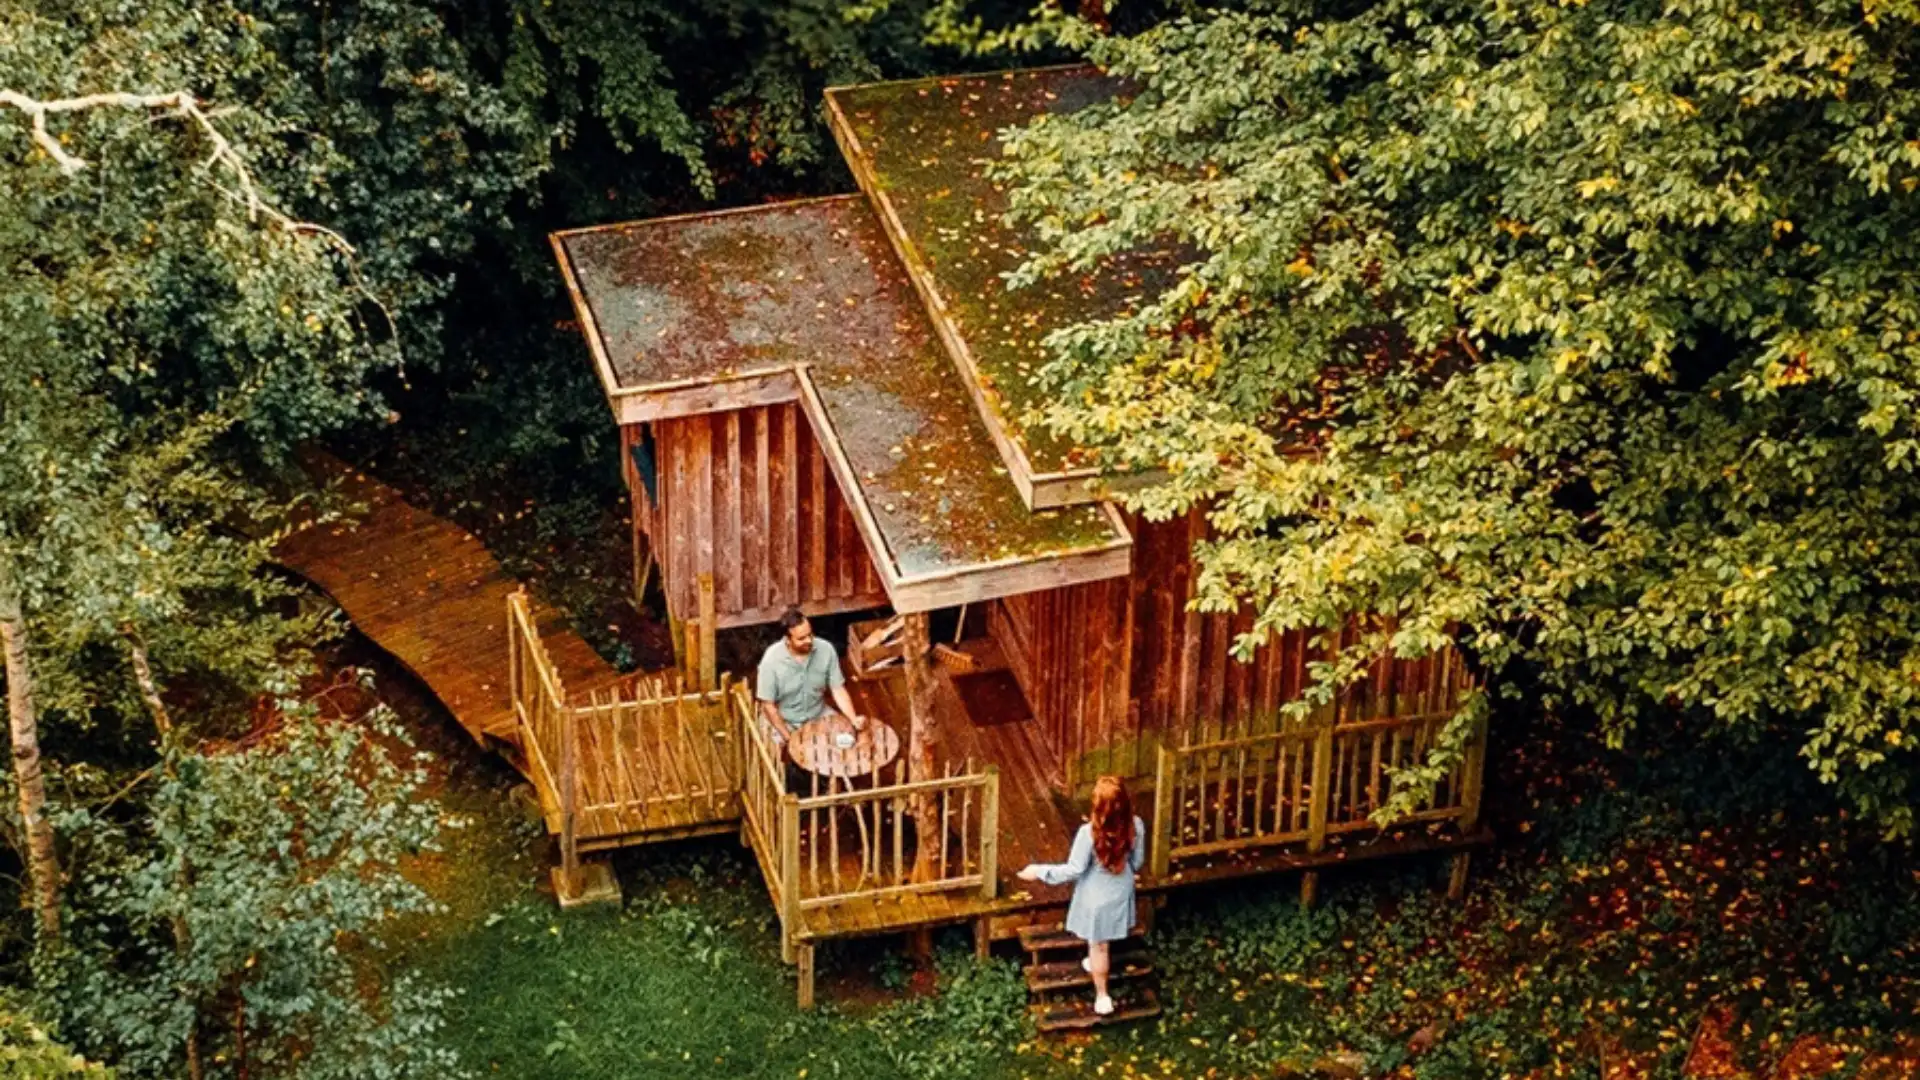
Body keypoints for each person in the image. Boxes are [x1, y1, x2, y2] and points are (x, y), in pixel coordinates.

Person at [1016, 775, 1146, 1016]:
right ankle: (1095, 965)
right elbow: (1137, 862)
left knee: (1099, 947)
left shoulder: (1088, 834)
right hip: (1121, 890)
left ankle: (1102, 995)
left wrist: (1039, 871)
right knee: (1101, 940)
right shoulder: (1136, 825)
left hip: (1095, 897)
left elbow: (1074, 869)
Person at [755, 606, 864, 749]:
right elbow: (768, 706)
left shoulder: (826, 650)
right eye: (801, 638)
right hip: (784, 719)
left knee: (845, 740)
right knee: (778, 754)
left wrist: (853, 718)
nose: (809, 640)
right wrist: (789, 738)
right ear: (787, 639)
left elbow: (838, 689)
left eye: (810, 634)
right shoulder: (771, 660)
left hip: (817, 713)